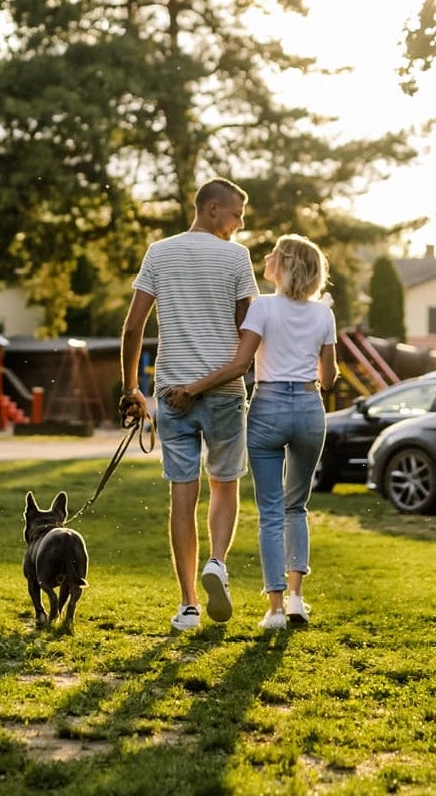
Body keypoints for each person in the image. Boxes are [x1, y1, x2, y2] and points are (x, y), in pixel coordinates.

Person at [164, 234, 339, 630]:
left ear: (287, 264)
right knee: (297, 507)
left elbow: (239, 366)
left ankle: (275, 610)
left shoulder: (262, 308)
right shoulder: (324, 315)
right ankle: (297, 598)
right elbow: (328, 379)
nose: (266, 257)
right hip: (309, 408)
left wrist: (191, 389)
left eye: (274, 253)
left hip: (268, 408)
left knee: (271, 511)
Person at [120, 177, 260, 631]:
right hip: (223, 392)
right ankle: (216, 562)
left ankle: (188, 605)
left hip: (172, 393)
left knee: (183, 494)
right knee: (224, 484)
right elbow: (248, 328)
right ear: (212, 208)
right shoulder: (236, 258)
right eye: (237, 214)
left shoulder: (159, 252)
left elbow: (133, 326)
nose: (240, 225)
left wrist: (131, 389)